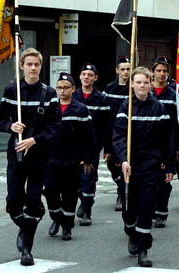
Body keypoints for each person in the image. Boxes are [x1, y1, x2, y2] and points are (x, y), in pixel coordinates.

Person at [0, 47, 61, 266]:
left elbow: (55, 125)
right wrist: (11, 126)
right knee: (14, 201)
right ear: (22, 66)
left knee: (33, 201)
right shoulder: (12, 90)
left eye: (36, 64)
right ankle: (24, 227)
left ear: (41, 67)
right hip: (16, 154)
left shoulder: (49, 93)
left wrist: (35, 139)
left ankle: (27, 249)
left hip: (40, 155)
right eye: (29, 64)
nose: (33, 68)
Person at [113, 66, 175, 267]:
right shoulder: (125, 106)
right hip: (129, 165)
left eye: (145, 82)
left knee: (147, 206)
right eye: (138, 82)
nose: (142, 86)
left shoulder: (159, 108)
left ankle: (143, 249)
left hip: (151, 164)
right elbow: (119, 136)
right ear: (132, 84)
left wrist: (169, 166)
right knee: (129, 208)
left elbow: (168, 138)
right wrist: (123, 159)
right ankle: (131, 230)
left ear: (150, 85)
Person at [44, 73, 96, 241]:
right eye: (59, 88)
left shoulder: (81, 109)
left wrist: (88, 158)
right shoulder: (50, 108)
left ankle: (67, 226)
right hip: (52, 159)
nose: (62, 91)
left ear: (73, 89)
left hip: (73, 159)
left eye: (65, 88)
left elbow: (89, 136)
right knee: (50, 190)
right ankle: (57, 217)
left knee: (69, 193)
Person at [73, 63, 111, 226]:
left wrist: (107, 147)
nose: (86, 77)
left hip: (92, 146)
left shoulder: (101, 98)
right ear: (80, 77)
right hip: (73, 146)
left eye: (90, 75)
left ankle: (87, 211)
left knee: (88, 177)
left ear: (95, 78)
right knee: (74, 179)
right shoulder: (73, 96)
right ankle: (84, 200)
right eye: (84, 74)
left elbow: (106, 125)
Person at [150, 56, 179, 228]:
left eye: (165, 71)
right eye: (158, 70)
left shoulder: (173, 95)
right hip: (148, 143)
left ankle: (161, 213)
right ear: (152, 72)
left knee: (164, 181)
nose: (162, 74)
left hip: (167, 143)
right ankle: (149, 210)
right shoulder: (145, 92)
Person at [103, 55, 131, 211]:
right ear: (117, 70)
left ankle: (121, 195)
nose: (125, 72)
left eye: (128, 69)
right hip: (112, 131)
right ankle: (118, 181)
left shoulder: (132, 88)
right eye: (123, 69)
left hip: (128, 132)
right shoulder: (109, 88)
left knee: (123, 163)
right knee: (111, 164)